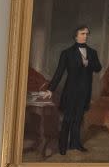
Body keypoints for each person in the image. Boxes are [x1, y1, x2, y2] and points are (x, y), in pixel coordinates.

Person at [41, 25, 102, 154]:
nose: (85, 36)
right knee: (67, 119)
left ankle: (75, 144)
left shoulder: (92, 52)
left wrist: (88, 63)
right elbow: (59, 72)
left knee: (78, 119)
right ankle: (62, 147)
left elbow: (98, 68)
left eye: (86, 34)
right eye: (82, 33)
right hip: (70, 92)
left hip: (84, 92)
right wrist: (50, 89)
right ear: (75, 36)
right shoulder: (66, 53)